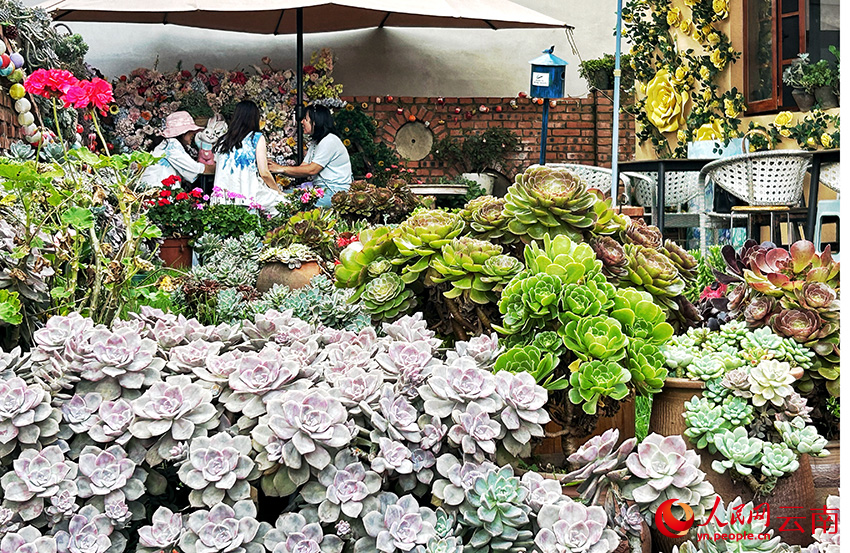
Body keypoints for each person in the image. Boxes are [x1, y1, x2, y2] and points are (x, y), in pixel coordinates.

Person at [213, 100, 284, 212]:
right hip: (248, 195)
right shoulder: (256, 138)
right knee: (284, 205)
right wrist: (278, 191)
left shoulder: (223, 140)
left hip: (221, 200)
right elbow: (264, 173)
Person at [274, 104, 352, 207]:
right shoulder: (316, 142)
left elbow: (311, 170)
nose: (302, 122)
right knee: (282, 195)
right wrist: (276, 168)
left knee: (286, 201)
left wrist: (281, 169)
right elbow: (303, 169)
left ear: (315, 122)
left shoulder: (330, 140)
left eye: (305, 119)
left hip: (334, 193)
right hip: (322, 190)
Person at [140, 111, 215, 189]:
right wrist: (218, 168)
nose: (193, 133)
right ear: (183, 132)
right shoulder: (172, 145)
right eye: (190, 131)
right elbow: (195, 168)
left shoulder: (166, 144)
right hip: (154, 191)